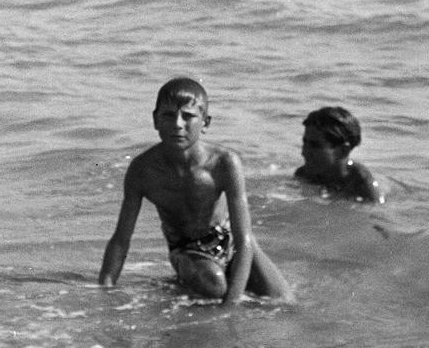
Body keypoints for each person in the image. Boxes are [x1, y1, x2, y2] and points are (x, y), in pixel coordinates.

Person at [98, 76, 294, 304]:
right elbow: (121, 239)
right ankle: (191, 279)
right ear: (155, 120)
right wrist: (105, 289)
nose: (178, 124)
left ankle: (183, 288)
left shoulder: (225, 163)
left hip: (228, 241)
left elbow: (245, 240)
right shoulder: (143, 170)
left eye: (188, 116)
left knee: (284, 303)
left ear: (205, 122)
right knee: (214, 284)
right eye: (168, 115)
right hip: (187, 248)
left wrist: (230, 306)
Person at [295, 105, 383, 203]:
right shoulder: (305, 174)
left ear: (343, 151)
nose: (304, 152)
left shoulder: (361, 182)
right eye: (305, 143)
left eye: (315, 146)